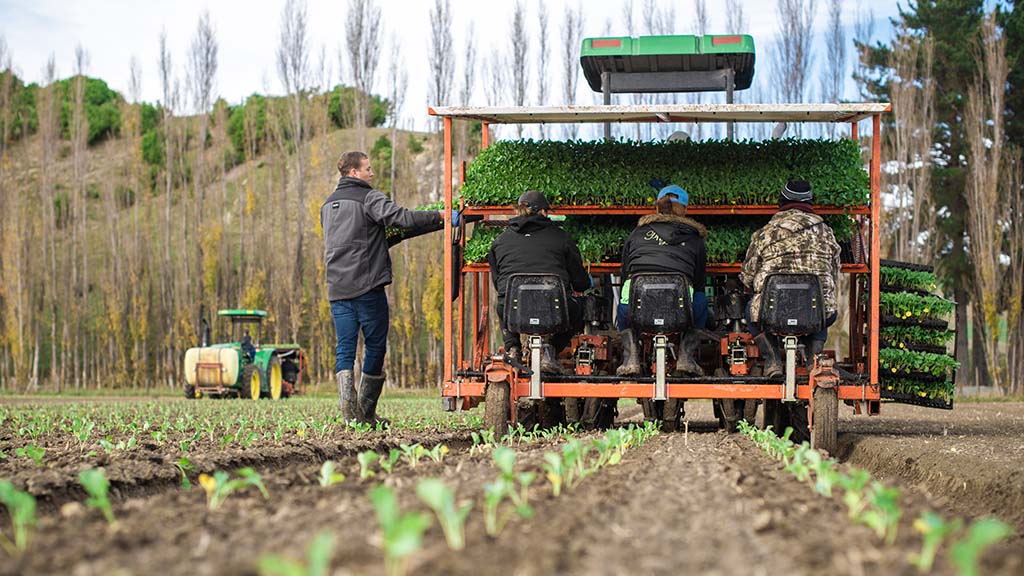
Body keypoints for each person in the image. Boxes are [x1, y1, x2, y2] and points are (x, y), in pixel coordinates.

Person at [321, 151, 449, 425]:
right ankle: (366, 413)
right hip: (367, 286)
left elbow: (353, 240)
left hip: (337, 287)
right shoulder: (369, 197)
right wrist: (440, 215)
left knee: (344, 347)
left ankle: (347, 411)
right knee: (375, 345)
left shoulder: (327, 205)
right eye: (368, 168)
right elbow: (401, 218)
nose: (372, 173)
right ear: (354, 172)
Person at [740, 179, 841, 377]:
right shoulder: (827, 233)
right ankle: (814, 360)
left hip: (772, 312)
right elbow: (834, 272)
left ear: (782, 202)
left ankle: (772, 361)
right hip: (815, 312)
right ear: (810, 202)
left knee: (750, 312)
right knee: (823, 311)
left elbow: (748, 275)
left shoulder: (765, 233)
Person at [487, 190, 590, 374]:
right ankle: (551, 350)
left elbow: (499, 285)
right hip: (555, 309)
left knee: (502, 303)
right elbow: (580, 283)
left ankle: (513, 348)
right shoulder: (561, 238)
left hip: (514, 308)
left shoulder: (499, 242)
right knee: (581, 307)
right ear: (543, 212)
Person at [616, 184, 709, 377]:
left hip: (635, 308)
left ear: (657, 208)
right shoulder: (694, 239)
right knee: (700, 299)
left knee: (622, 308)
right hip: (681, 310)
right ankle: (686, 356)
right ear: (684, 209)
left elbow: (625, 272)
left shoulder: (636, 234)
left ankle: (631, 357)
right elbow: (699, 281)